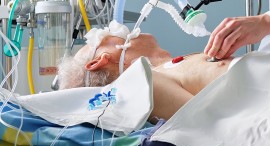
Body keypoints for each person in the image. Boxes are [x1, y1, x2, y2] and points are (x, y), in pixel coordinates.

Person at [57, 27, 234, 121]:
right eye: (103, 36)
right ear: (97, 61)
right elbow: (213, 123)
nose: (114, 29)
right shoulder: (148, 83)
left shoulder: (162, 72)